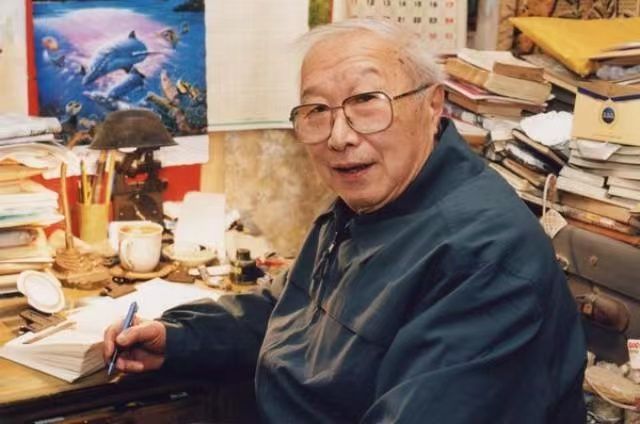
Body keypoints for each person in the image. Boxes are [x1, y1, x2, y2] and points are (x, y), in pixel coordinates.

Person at [104, 18, 586, 423]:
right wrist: (178, 338)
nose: (339, 136)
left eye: (365, 102)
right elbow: (292, 310)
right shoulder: (370, 203)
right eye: (317, 110)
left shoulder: (484, 255)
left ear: (432, 105)